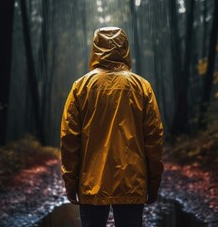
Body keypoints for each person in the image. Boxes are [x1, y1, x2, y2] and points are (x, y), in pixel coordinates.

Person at [60, 27, 164, 227]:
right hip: (131, 182)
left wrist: (71, 183)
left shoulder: (81, 87)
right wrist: (153, 184)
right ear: (125, 48)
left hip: (91, 183)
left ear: (95, 48)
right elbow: (154, 139)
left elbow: (69, 139)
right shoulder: (142, 87)